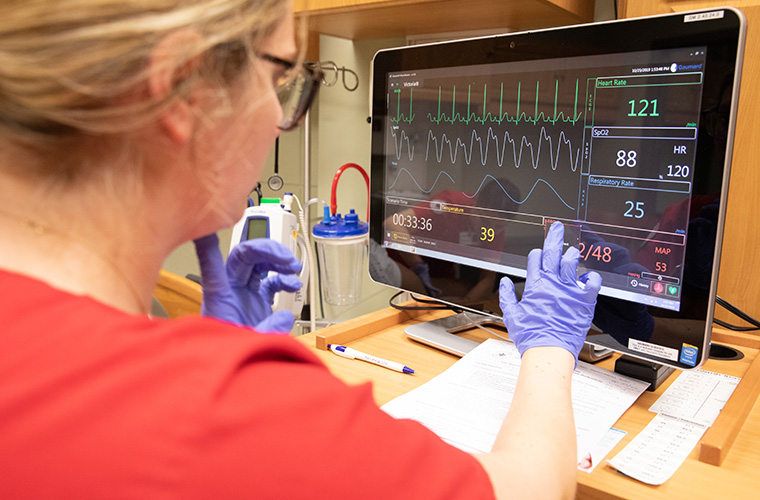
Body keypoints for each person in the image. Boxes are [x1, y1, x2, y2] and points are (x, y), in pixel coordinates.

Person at [0, 1, 602, 498]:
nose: (277, 114)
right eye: (279, 77)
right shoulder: (227, 415)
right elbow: (531, 488)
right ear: (183, 88)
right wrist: (549, 350)